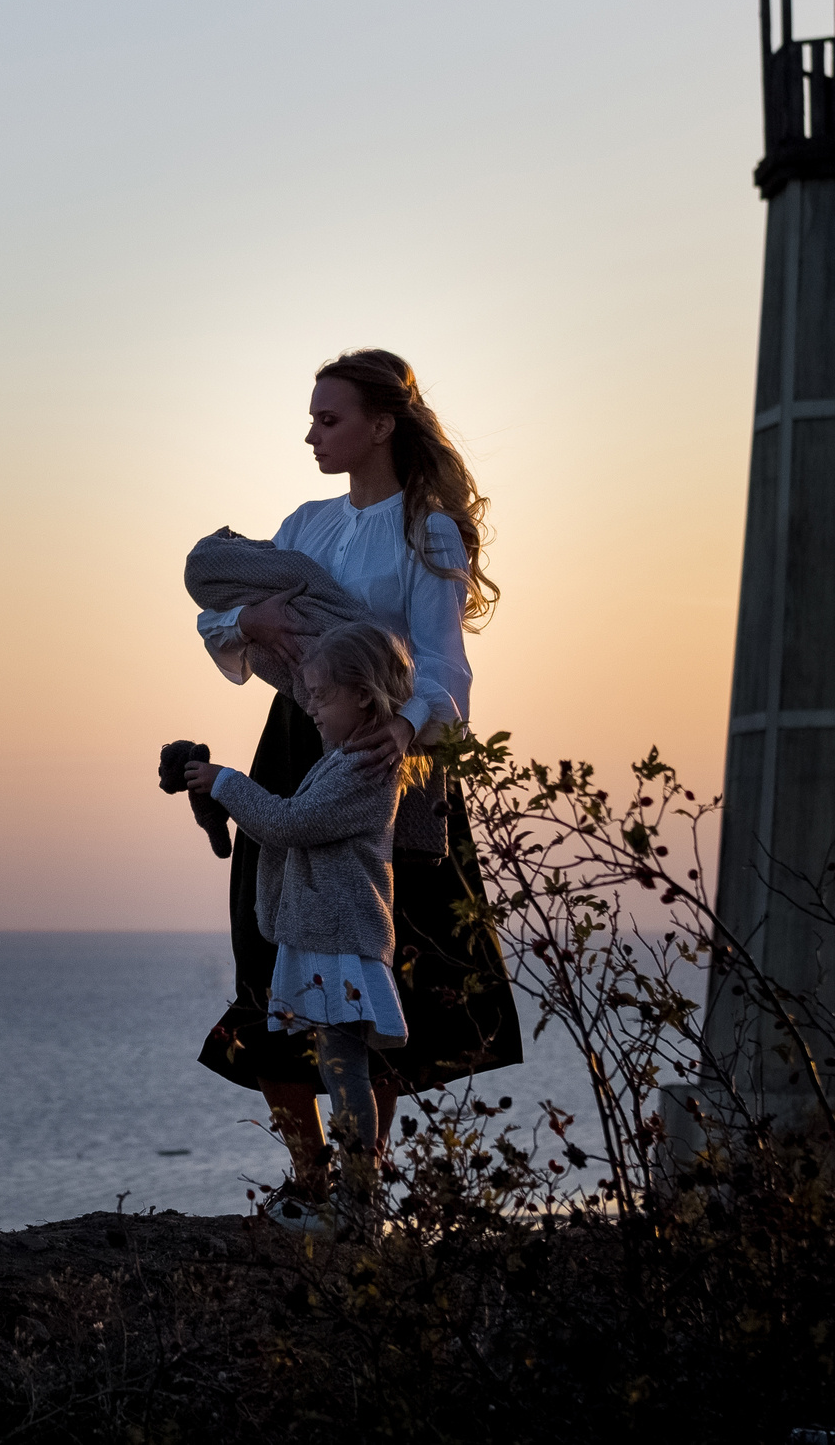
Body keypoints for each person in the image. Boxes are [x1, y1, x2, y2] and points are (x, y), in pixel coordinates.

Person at [193, 348, 522, 1225]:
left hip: (387, 758)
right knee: (265, 954)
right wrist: (246, 620)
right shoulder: (303, 524)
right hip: (290, 743)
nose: (312, 433)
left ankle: (357, 1193)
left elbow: (446, 667)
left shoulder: (428, 530)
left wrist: (405, 730)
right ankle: (306, 1180)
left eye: (329, 418)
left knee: (372, 970)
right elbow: (215, 613)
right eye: (310, 417)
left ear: (382, 425)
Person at [183, 622, 415, 1226]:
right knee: (339, 1066)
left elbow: (288, 823)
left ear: (364, 695)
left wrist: (226, 784)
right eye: (306, 696)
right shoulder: (344, 758)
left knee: (346, 1069)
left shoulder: (363, 767)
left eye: (322, 696)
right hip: (324, 937)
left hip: (340, 942)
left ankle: (358, 1203)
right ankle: (353, 1197)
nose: (309, 708)